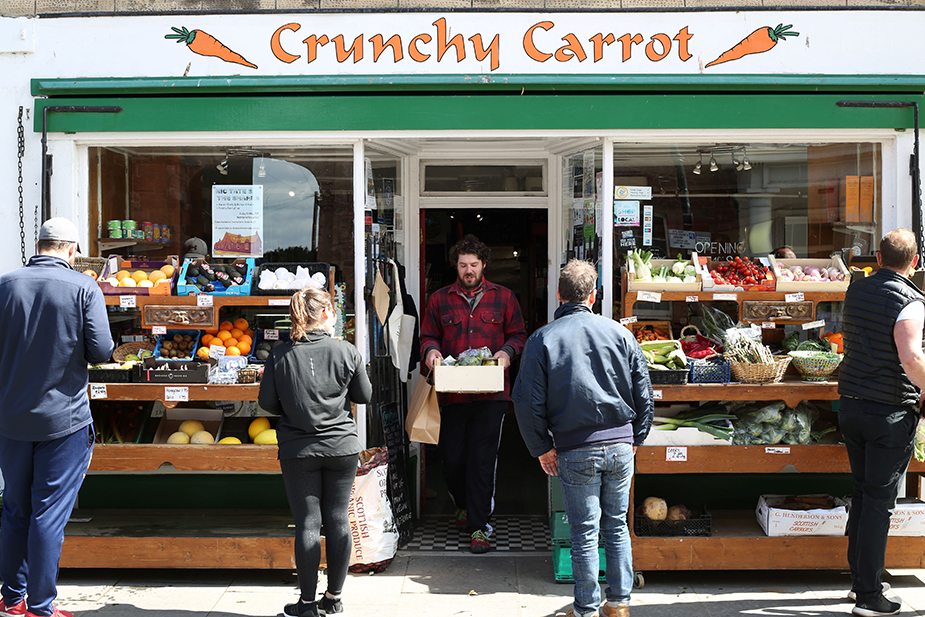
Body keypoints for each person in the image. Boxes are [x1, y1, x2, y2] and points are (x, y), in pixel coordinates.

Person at [512, 259, 654, 617]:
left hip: (577, 449)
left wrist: (542, 448)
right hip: (621, 445)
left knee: (585, 532)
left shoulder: (542, 338)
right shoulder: (621, 334)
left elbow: (526, 401)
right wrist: (636, 438)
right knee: (616, 525)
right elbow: (644, 393)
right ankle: (619, 604)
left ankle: (587, 610)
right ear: (595, 295)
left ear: (559, 295)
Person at [0, 217, 114, 617]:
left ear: (40, 244)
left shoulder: (6, 284)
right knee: (48, 514)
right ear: (72, 249)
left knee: (14, 508)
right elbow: (101, 351)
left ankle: (12, 598)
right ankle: (41, 606)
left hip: (11, 418)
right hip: (63, 420)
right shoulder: (83, 287)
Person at [258, 287, 372, 617]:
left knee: (308, 523)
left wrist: (294, 408)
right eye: (333, 311)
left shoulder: (280, 354)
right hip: (341, 447)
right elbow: (363, 395)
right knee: (338, 521)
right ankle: (334, 598)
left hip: (299, 450)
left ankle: (307, 604)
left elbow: (266, 403)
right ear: (325, 314)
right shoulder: (346, 351)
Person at [420, 234, 527, 553]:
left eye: (474, 265)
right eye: (463, 265)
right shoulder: (439, 299)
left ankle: (479, 527)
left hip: (491, 395)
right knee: (451, 458)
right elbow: (428, 336)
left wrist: (507, 353)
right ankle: (464, 504)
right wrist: (431, 353)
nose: (468, 270)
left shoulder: (504, 297)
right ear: (456, 265)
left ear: (484, 266)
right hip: (451, 395)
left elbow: (519, 334)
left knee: (482, 461)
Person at [838, 228, 925, 617]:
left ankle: (862, 577)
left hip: (852, 406)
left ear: (877, 256)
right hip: (888, 410)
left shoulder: (856, 289)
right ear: (915, 262)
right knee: (878, 502)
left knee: (863, 493)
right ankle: (869, 596)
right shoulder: (911, 301)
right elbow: (910, 357)